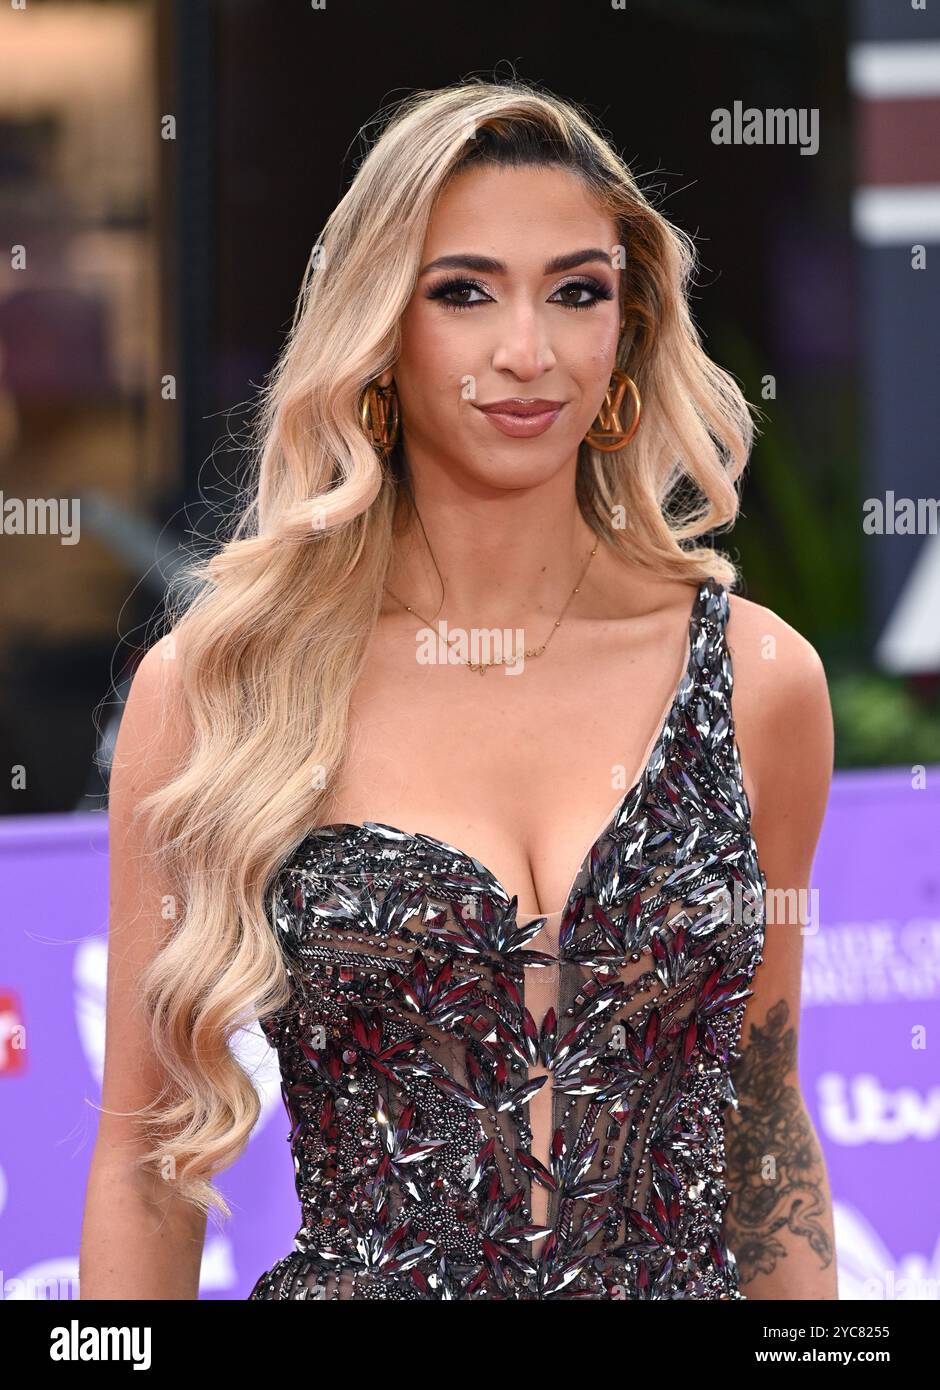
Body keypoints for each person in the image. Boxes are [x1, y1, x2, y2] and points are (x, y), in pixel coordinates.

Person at [80, 78, 837, 1301]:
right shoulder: (225, 690)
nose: (526, 351)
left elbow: (759, 1123)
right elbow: (141, 1160)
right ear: (380, 329)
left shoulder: (760, 681)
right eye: (464, 292)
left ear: (628, 331)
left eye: (577, 292)